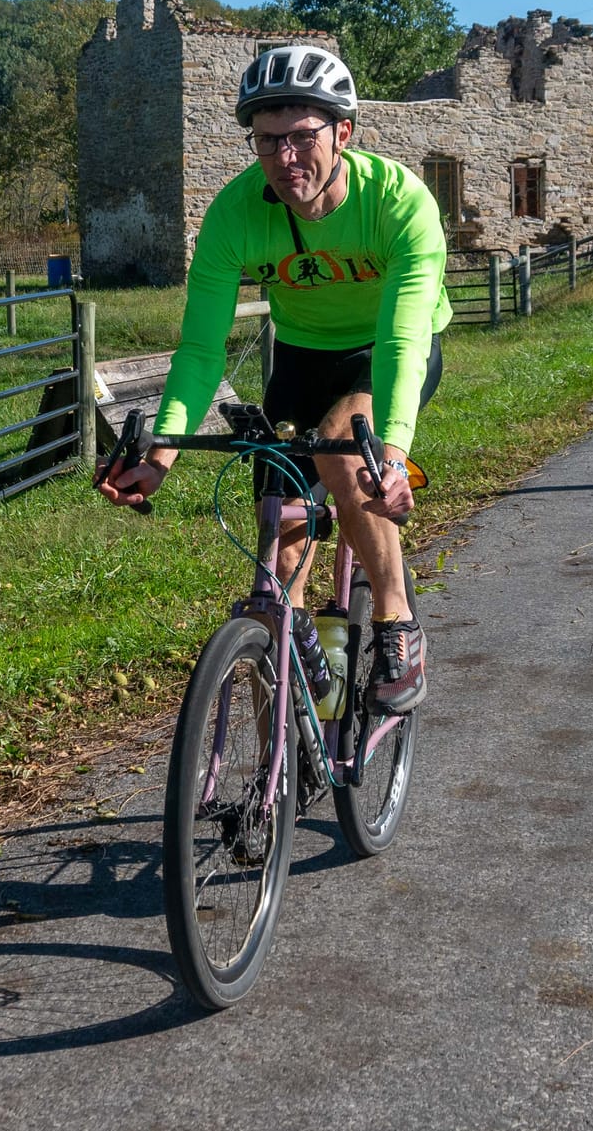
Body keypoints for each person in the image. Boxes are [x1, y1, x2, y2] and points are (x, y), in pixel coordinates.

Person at [97, 43, 451, 713]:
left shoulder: (399, 202)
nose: (285, 159)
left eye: (300, 137)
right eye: (267, 141)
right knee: (274, 576)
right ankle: (274, 782)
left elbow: (404, 337)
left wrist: (393, 454)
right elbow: (201, 350)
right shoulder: (236, 212)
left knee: (340, 448)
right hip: (301, 357)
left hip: (387, 351)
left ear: (343, 132)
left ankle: (398, 624)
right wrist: (162, 453)